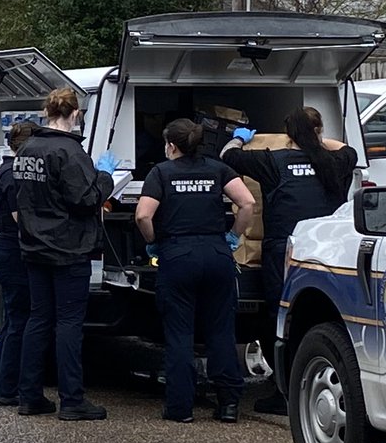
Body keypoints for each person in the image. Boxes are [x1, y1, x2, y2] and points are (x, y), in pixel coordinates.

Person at [220, 106, 358, 415]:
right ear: (319, 132)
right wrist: (318, 142)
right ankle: (320, 386)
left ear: (288, 136)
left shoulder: (274, 161)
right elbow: (349, 150)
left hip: (285, 253)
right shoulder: (335, 162)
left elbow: (228, 157)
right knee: (324, 319)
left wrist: (240, 139)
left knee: (281, 320)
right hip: (329, 254)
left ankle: (286, 394)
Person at [135, 119, 256, 423]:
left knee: (179, 334)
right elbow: (247, 202)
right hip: (216, 254)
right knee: (220, 332)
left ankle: (180, 408)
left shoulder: (161, 173)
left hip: (178, 256)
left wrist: (154, 242)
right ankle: (228, 405)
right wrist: (233, 237)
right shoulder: (216, 169)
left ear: (171, 146)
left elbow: (142, 215)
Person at [14, 87, 116, 422]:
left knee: (38, 319)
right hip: (69, 248)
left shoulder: (27, 148)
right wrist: (105, 177)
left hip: (33, 246)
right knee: (69, 323)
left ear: (47, 112)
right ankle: (72, 400)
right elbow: (85, 200)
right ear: (75, 114)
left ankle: (29, 396)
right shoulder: (70, 153)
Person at [0, 121, 38, 407]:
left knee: (12, 321)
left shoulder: (3, 171)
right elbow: (23, 218)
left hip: (3, 250)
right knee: (19, 321)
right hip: (13, 251)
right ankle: (8, 388)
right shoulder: (15, 174)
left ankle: (5, 386)